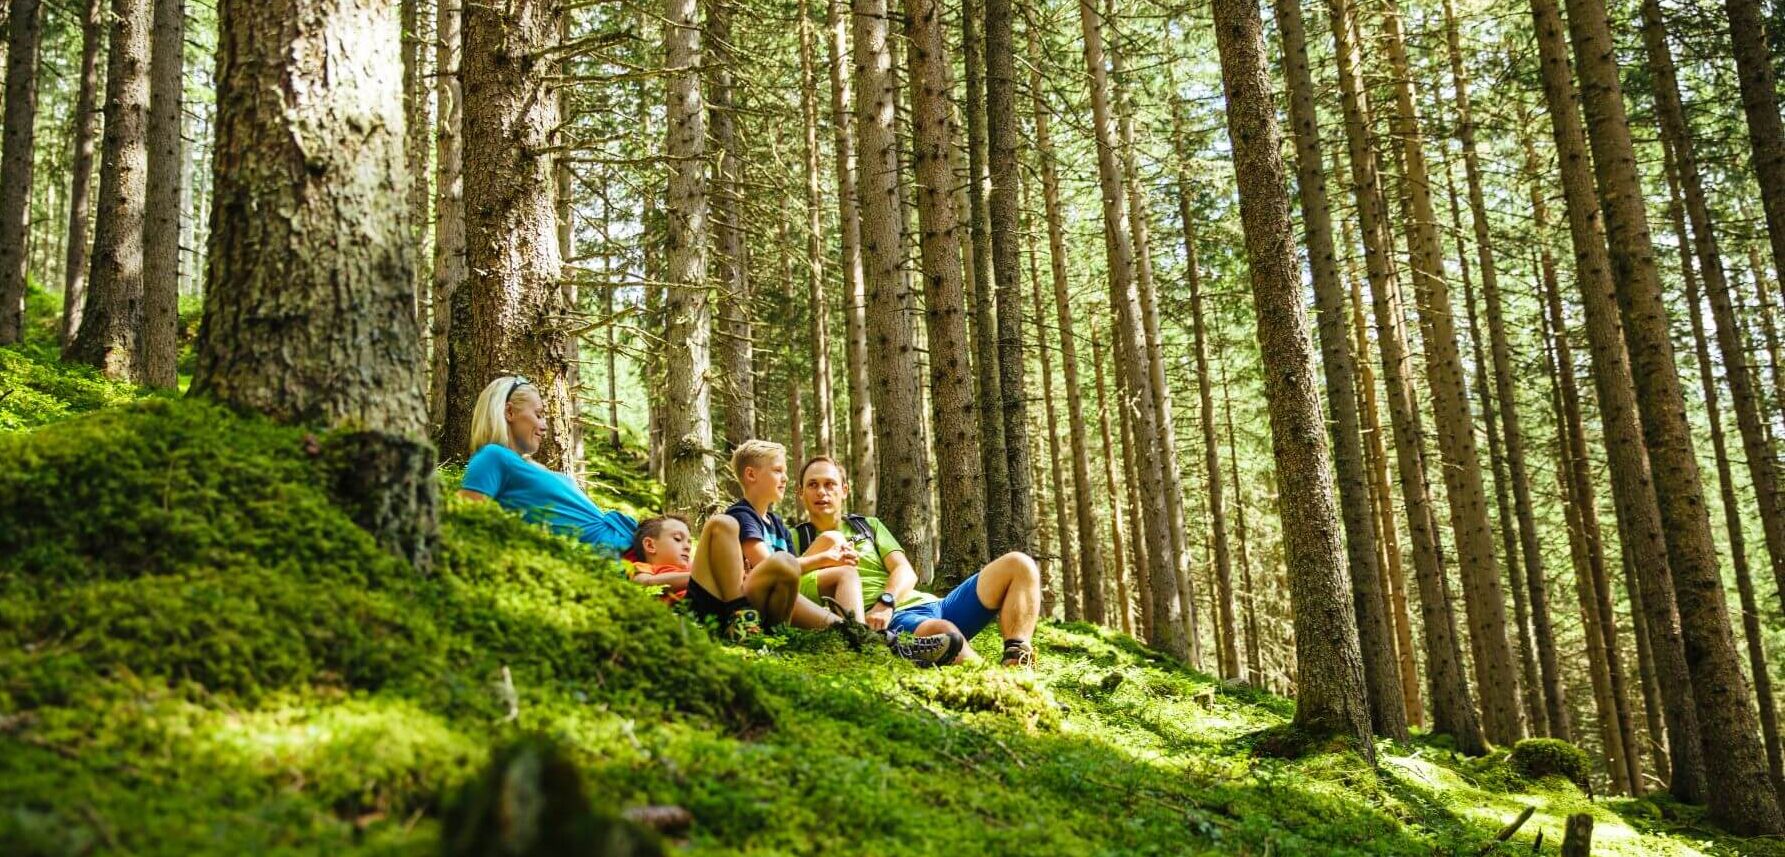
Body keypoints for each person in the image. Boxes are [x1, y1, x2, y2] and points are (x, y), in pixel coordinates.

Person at [694, 440, 955, 663]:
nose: (785, 478)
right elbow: (772, 567)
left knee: (845, 573)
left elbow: (785, 574)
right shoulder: (742, 515)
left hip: (772, 605)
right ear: (751, 475)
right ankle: (864, 637)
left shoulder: (776, 525)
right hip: (743, 604)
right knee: (778, 559)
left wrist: (831, 563)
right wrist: (823, 558)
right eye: (777, 471)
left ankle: (861, 638)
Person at [794, 456, 1040, 666]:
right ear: (800, 492)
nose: (822, 492)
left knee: (1019, 565)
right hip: (894, 622)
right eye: (813, 485)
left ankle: (1018, 663)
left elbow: (905, 571)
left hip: (931, 604)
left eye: (830, 484)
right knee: (942, 630)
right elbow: (790, 587)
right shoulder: (795, 539)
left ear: (844, 490)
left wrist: (886, 600)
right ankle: (1004, 686)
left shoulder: (868, 526)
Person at [458, 375, 637, 555]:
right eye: (539, 415)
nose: (545, 426)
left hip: (635, 544)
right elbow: (466, 524)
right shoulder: (492, 456)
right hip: (621, 558)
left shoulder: (526, 465)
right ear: (509, 412)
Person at [626, 514, 693, 604]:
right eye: (678, 539)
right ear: (650, 545)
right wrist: (695, 578)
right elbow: (645, 583)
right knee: (714, 524)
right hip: (686, 606)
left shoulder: (689, 569)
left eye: (689, 543)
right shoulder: (642, 567)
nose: (688, 547)